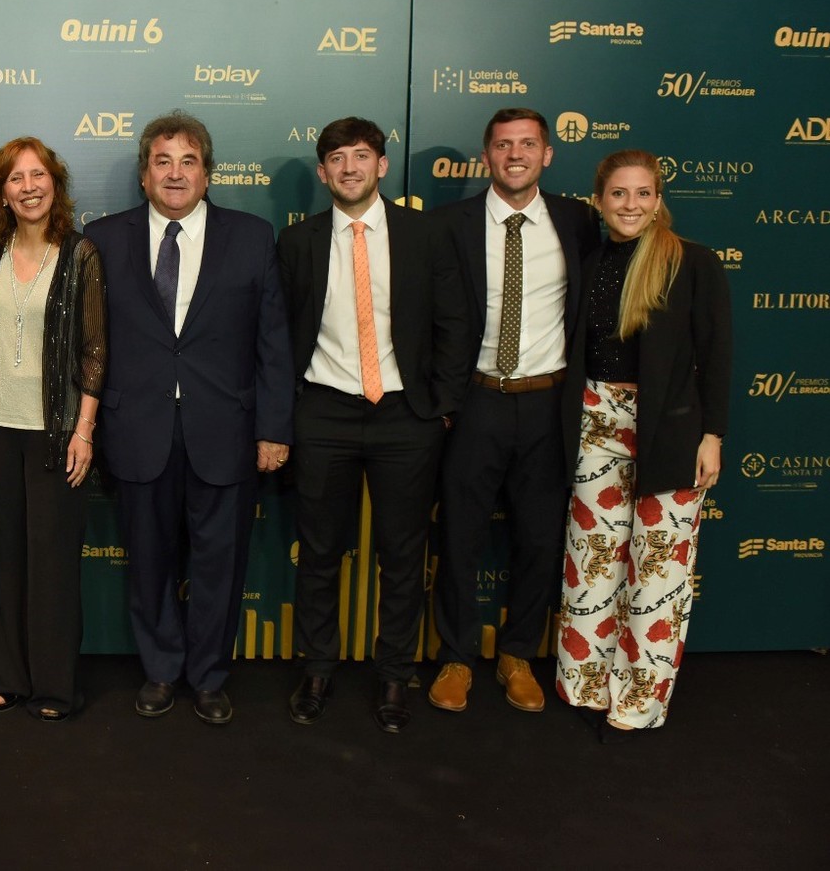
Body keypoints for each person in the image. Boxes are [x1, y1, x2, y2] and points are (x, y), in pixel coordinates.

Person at [84, 111, 293, 726]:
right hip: (136, 428)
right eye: (162, 161)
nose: (175, 174)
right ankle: (160, 670)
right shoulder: (103, 238)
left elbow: (273, 341)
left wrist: (273, 429)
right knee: (148, 561)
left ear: (208, 173)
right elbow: (88, 342)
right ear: (144, 174)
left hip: (226, 430)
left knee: (219, 564)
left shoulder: (252, 237)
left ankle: (208, 676)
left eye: (188, 161)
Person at [277, 116, 470, 734]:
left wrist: (441, 405)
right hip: (323, 411)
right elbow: (278, 335)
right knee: (319, 552)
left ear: (382, 165)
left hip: (405, 415)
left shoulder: (424, 234)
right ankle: (317, 669)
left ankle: (394, 675)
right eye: (337, 158)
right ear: (322, 172)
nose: (350, 167)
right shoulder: (297, 241)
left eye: (361, 155)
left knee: (404, 554)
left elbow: (455, 323)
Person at [554, 149, 731, 741]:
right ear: (599, 201)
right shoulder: (591, 262)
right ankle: (584, 684)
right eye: (619, 194)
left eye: (643, 194)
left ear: (659, 201)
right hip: (595, 421)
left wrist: (713, 435)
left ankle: (638, 699)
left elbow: (718, 355)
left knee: (657, 571)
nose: (631, 205)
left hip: (670, 429)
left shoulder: (693, 262)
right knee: (593, 559)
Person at [429, 109, 599, 715]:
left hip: (549, 402)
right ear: (487, 156)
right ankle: (456, 656)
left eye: (528, 144)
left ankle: (519, 654)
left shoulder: (580, 221)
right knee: (460, 534)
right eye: (504, 145)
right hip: (475, 401)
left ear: (547, 155)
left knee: (539, 535)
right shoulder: (449, 224)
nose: (516, 154)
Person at [0, 137, 106, 721]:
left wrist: (84, 429)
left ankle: (54, 687)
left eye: (38, 175)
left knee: (52, 565)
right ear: (2, 193)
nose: (29, 187)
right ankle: (6, 677)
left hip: (57, 432)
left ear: (55, 185)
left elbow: (94, 348)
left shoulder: (80, 255)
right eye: (16, 178)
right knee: (1, 563)